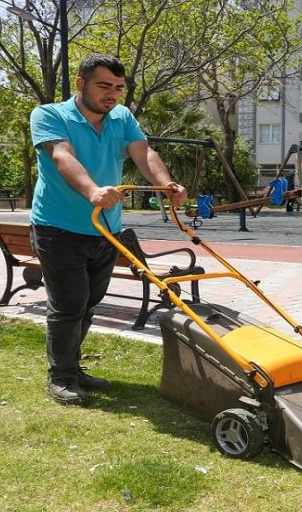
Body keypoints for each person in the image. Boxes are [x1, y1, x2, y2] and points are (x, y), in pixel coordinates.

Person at [29, 53, 187, 406]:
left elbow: (144, 154)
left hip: (106, 230)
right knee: (69, 305)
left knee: (88, 303)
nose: (112, 94)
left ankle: (72, 367)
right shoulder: (49, 115)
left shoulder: (122, 117)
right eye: (104, 86)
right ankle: (61, 376)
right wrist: (93, 191)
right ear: (81, 84)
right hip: (58, 228)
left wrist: (166, 184)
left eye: (118, 87)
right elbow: (62, 156)